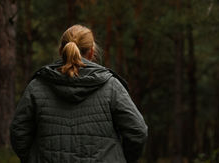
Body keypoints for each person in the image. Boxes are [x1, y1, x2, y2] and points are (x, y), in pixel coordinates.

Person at [10, 25, 148, 163]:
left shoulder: (37, 86)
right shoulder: (111, 86)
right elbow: (138, 130)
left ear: (61, 51)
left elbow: (18, 131)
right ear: (91, 52)